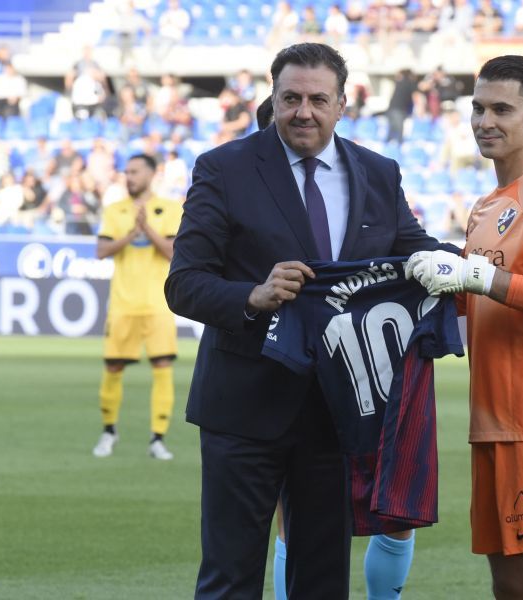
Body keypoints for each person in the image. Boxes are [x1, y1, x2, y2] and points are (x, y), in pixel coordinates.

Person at [164, 43, 448, 599]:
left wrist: (475, 260)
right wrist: (254, 294)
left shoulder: (378, 173)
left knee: (322, 582)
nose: (303, 111)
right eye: (291, 98)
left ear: (343, 104)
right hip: (243, 408)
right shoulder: (224, 168)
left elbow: (419, 255)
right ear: (272, 98)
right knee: (229, 579)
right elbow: (184, 282)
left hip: (335, 412)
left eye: (319, 99)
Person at [405, 55, 523, 600]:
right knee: (510, 583)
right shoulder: (487, 205)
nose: (486, 120)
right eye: (479, 108)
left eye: (503, 109)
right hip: (493, 417)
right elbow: (478, 296)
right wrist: (441, 281)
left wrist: (478, 276)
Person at [252, 94, 423, 600]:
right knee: (294, 516)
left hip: (369, 375)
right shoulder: (247, 198)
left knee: (395, 512)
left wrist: (458, 266)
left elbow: (412, 247)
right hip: (287, 379)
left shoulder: (365, 181)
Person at [91, 154, 183, 461]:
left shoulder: (170, 208)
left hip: (158, 303)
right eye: (126, 172)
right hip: (122, 304)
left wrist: (148, 229)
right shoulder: (114, 210)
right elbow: (101, 250)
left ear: (151, 174)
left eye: (134, 172)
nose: (128, 177)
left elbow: (174, 252)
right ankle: (108, 431)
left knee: (162, 367)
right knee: (113, 367)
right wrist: (132, 233)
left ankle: (158, 438)